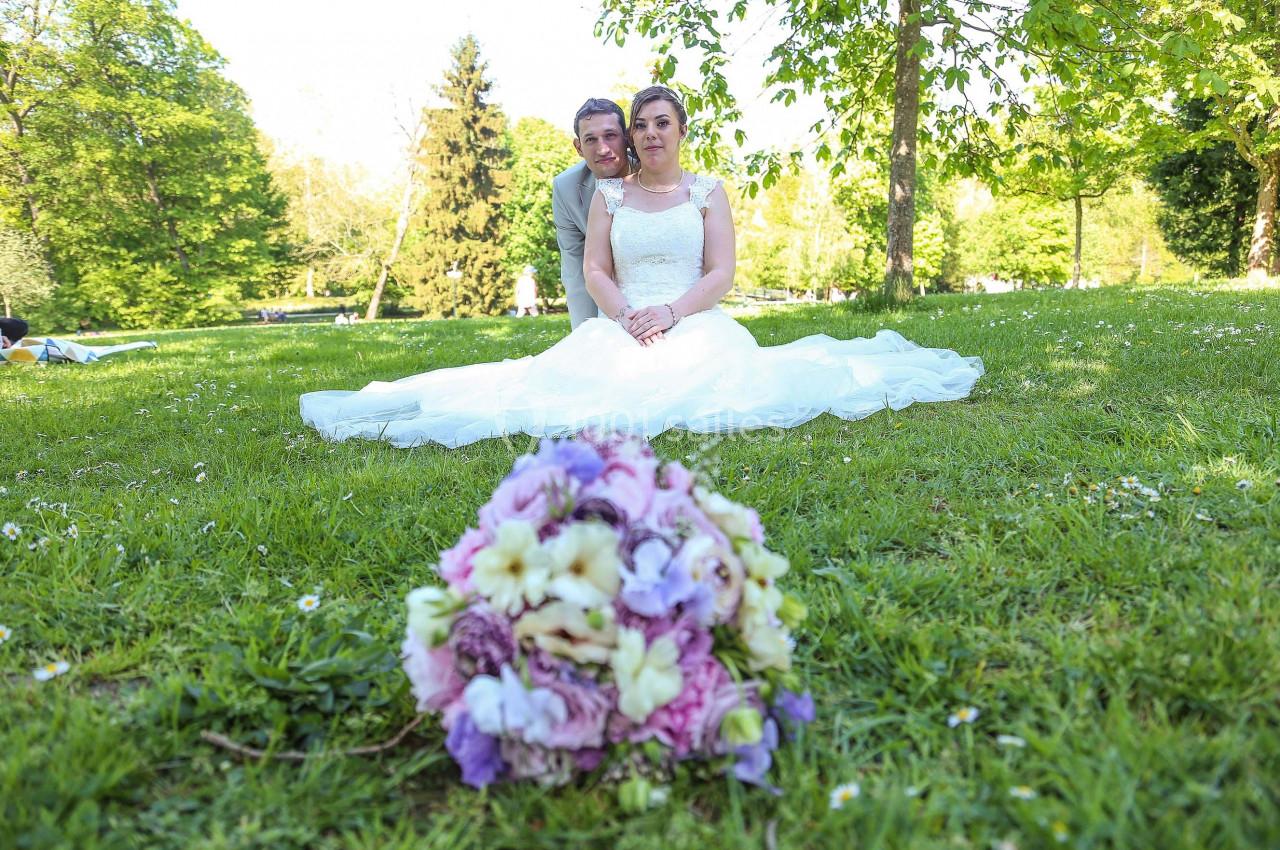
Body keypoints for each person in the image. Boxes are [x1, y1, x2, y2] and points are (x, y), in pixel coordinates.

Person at [300, 86, 983, 449]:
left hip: (694, 319)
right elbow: (594, 269)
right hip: (624, 321)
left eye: (662, 123)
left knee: (731, 386)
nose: (651, 133)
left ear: (680, 131)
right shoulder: (609, 195)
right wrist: (626, 315)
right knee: (546, 391)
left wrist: (671, 312)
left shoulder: (709, 191)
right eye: (642, 125)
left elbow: (721, 273)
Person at [551, 98, 632, 329]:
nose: (603, 149)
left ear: (626, 138)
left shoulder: (653, 174)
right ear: (578, 147)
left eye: (610, 135)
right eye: (591, 139)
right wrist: (585, 332)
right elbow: (575, 267)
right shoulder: (566, 188)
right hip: (603, 291)